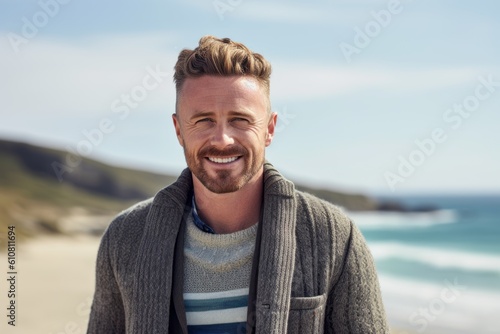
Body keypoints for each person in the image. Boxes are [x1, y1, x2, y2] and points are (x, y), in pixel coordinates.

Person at [87, 35, 388, 333]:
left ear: (269, 129)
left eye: (240, 120)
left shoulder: (334, 236)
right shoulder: (125, 239)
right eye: (204, 120)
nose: (222, 139)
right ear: (179, 130)